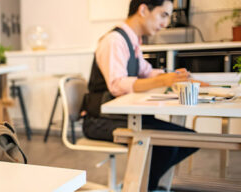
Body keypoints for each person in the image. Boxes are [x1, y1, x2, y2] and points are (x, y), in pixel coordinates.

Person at [82, 0, 204, 190]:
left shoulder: (132, 42)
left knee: (187, 139)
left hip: (121, 116)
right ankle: (142, 186)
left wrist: (172, 76)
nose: (165, 23)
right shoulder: (114, 41)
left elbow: (146, 71)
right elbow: (117, 85)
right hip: (100, 120)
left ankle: (143, 185)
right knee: (171, 143)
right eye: (163, 15)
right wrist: (164, 81)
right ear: (143, 9)